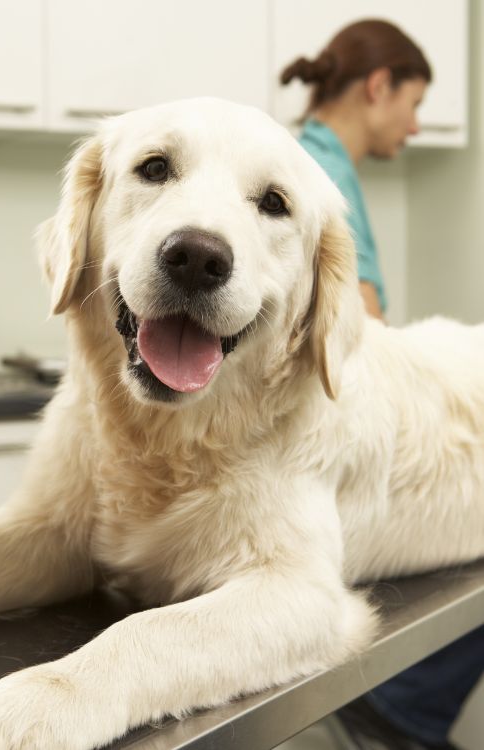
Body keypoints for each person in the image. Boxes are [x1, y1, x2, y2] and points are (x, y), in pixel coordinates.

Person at [281, 19, 484, 750]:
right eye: (413, 101)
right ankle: (398, 711)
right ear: (378, 87)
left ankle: (403, 710)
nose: (416, 121)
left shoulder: (311, 159)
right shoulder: (318, 173)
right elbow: (355, 332)